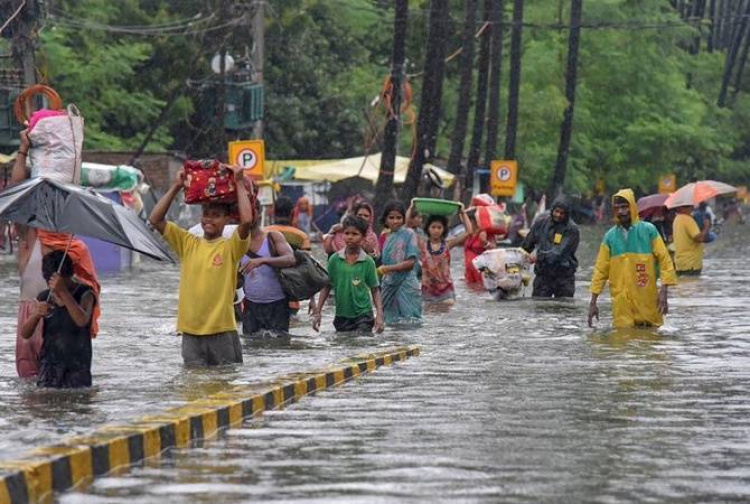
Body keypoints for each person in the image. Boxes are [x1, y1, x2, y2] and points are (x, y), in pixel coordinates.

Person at [149, 165, 252, 366]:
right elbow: (155, 219)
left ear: (226, 219)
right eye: (206, 214)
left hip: (221, 331)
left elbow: (247, 221)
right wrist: (177, 186)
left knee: (226, 388)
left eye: (215, 215)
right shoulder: (188, 243)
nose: (208, 220)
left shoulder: (231, 247)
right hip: (190, 333)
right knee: (193, 388)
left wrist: (239, 182)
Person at [588, 189, 677, 328]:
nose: (621, 211)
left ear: (633, 207)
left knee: (651, 338)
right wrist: (593, 302)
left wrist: (664, 291)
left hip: (647, 299)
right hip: (621, 304)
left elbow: (665, 260)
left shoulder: (649, 231)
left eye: (625, 206)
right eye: (617, 208)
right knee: (623, 340)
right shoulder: (609, 237)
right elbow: (600, 270)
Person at [19, 251, 96, 388]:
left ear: (70, 275)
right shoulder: (45, 297)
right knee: (48, 404)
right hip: (49, 364)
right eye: (51, 284)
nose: (54, 288)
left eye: (61, 283)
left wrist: (63, 292)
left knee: (77, 403)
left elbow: (81, 320)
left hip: (77, 367)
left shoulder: (86, 293)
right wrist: (36, 314)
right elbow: (25, 333)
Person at [312, 215, 384, 334]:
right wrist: (318, 312)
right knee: (344, 346)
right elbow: (327, 286)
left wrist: (380, 315)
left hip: (363, 315)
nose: (350, 237)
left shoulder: (367, 261)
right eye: (347, 233)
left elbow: (375, 289)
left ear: (363, 237)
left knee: (362, 343)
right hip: (342, 316)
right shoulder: (335, 259)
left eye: (355, 234)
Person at [240, 200, 296, 337]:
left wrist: (264, 260)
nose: (248, 217)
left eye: (252, 213)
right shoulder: (237, 242)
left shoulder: (273, 237)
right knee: (251, 349)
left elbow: (290, 259)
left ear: (259, 214)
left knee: (279, 349)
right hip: (250, 306)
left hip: (277, 305)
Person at [521, 195, 580, 298]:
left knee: (563, 310)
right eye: (556, 211)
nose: (558, 215)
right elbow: (526, 246)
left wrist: (537, 257)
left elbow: (558, 253)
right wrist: (519, 258)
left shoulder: (572, 230)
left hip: (563, 278)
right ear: (552, 210)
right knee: (539, 308)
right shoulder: (541, 223)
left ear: (567, 214)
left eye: (562, 213)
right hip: (543, 276)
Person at [378, 201, 422, 325]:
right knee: (389, 323)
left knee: (410, 322)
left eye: (399, 217)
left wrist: (387, 268)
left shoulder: (409, 234)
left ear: (403, 219)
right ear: (385, 220)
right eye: (391, 218)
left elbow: (411, 263)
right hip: (389, 285)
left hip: (406, 284)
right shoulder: (386, 237)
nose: (395, 221)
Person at [420, 209, 473, 303]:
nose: (436, 230)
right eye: (433, 227)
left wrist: (463, 213)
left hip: (446, 290)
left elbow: (469, 231)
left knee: (447, 312)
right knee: (429, 314)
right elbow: (407, 227)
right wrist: (412, 207)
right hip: (428, 290)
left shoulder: (448, 244)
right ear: (428, 228)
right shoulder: (422, 244)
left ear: (444, 229)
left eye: (439, 228)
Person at [673, 204, 709, 275]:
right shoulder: (687, 219)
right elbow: (699, 238)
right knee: (692, 285)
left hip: (681, 263)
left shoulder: (677, 219)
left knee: (683, 284)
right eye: (691, 206)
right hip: (691, 264)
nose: (692, 208)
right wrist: (706, 227)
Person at [464, 209, 497, 285]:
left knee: (481, 290)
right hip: (469, 272)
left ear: (476, 221)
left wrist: (485, 242)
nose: (467, 223)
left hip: (481, 272)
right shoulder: (469, 232)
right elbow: (462, 215)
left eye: (470, 221)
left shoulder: (485, 232)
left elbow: (494, 248)